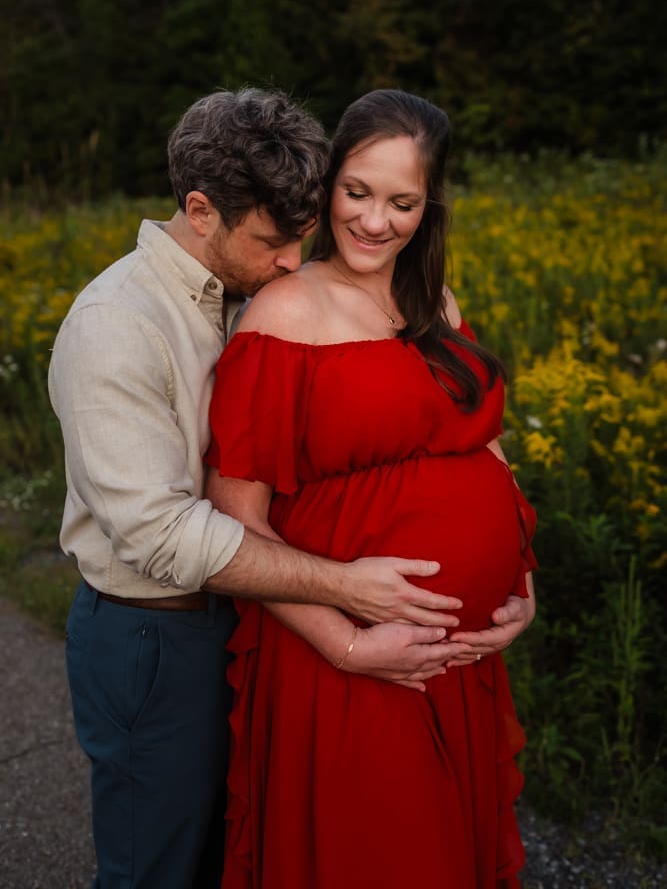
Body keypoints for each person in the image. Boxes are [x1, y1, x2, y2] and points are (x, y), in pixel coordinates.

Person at [48, 87, 495, 889]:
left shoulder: (241, 291)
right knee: (158, 863)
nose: (291, 262)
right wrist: (345, 596)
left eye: (299, 239)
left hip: (250, 622)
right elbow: (161, 534)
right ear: (200, 210)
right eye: (272, 243)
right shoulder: (116, 324)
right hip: (155, 635)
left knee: (238, 853)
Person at [205, 89, 537, 888]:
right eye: (357, 192)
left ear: (429, 207)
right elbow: (232, 517)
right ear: (327, 186)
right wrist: (346, 642)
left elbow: (485, 454)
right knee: (382, 859)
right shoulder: (283, 310)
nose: (375, 222)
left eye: (402, 202)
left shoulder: (434, 303)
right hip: (350, 657)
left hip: (454, 656)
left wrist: (522, 581)